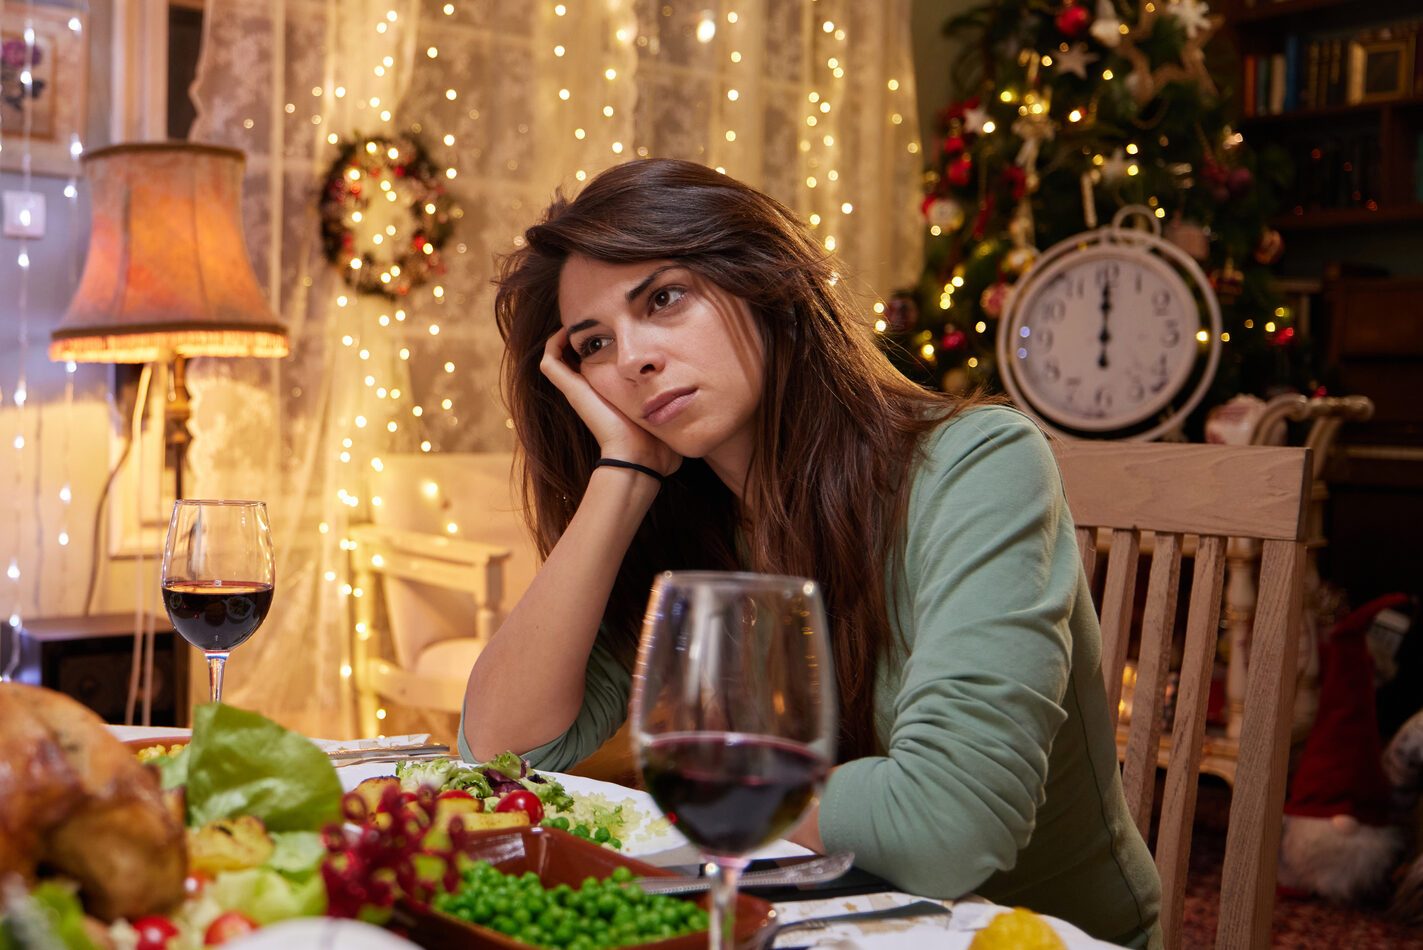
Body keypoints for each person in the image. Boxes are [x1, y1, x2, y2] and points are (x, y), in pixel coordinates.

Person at [460, 158, 1161, 948]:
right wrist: (621, 473)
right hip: (807, 921)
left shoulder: (978, 464)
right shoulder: (685, 525)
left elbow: (945, 827)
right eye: (593, 344)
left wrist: (723, 786)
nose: (632, 359)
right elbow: (499, 752)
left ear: (762, 283)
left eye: (663, 298)